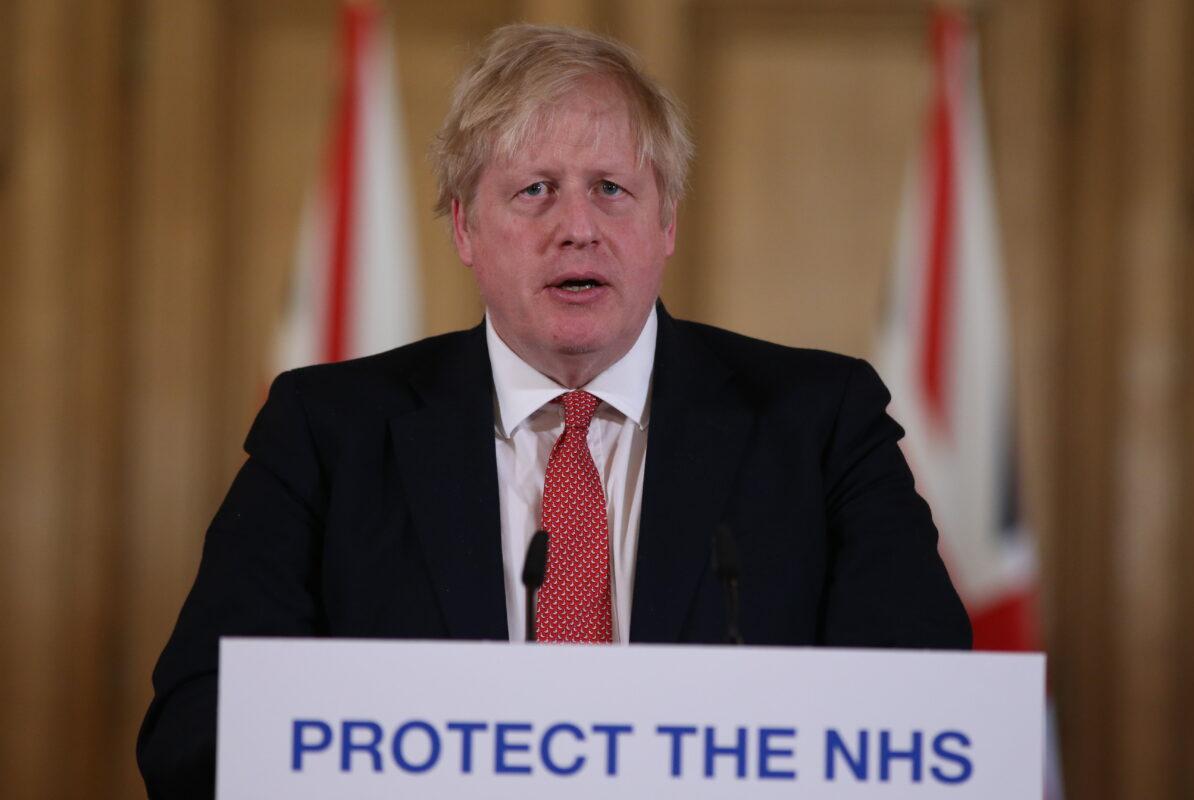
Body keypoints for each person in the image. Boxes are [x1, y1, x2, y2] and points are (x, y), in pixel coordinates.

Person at [137, 23, 970, 798]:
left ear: (666, 220)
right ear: (464, 226)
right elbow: (197, 731)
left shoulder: (821, 426)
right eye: (535, 190)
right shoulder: (329, 433)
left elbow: (929, 714)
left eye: (612, 188)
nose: (578, 227)